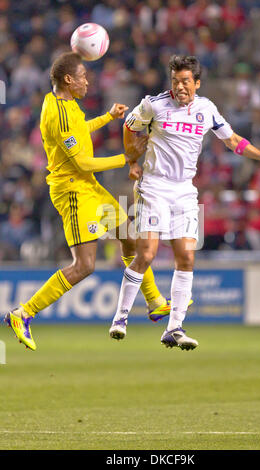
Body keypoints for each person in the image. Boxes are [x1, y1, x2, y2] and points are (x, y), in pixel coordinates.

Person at [109, 54, 260, 351]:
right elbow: (129, 127)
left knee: (187, 257)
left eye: (185, 82)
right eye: (175, 81)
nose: (179, 87)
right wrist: (132, 160)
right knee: (147, 253)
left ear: (197, 83)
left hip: (184, 190)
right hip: (154, 186)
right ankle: (120, 318)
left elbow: (233, 141)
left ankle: (174, 329)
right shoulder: (153, 104)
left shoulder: (206, 109)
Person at [4, 52, 171, 351]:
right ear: (68, 79)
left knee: (129, 237)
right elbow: (82, 162)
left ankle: (154, 302)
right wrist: (127, 158)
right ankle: (23, 313)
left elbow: (78, 132)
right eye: (82, 76)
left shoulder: (62, 102)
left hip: (87, 186)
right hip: (73, 191)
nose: (87, 81)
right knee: (84, 266)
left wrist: (107, 118)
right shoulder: (60, 114)